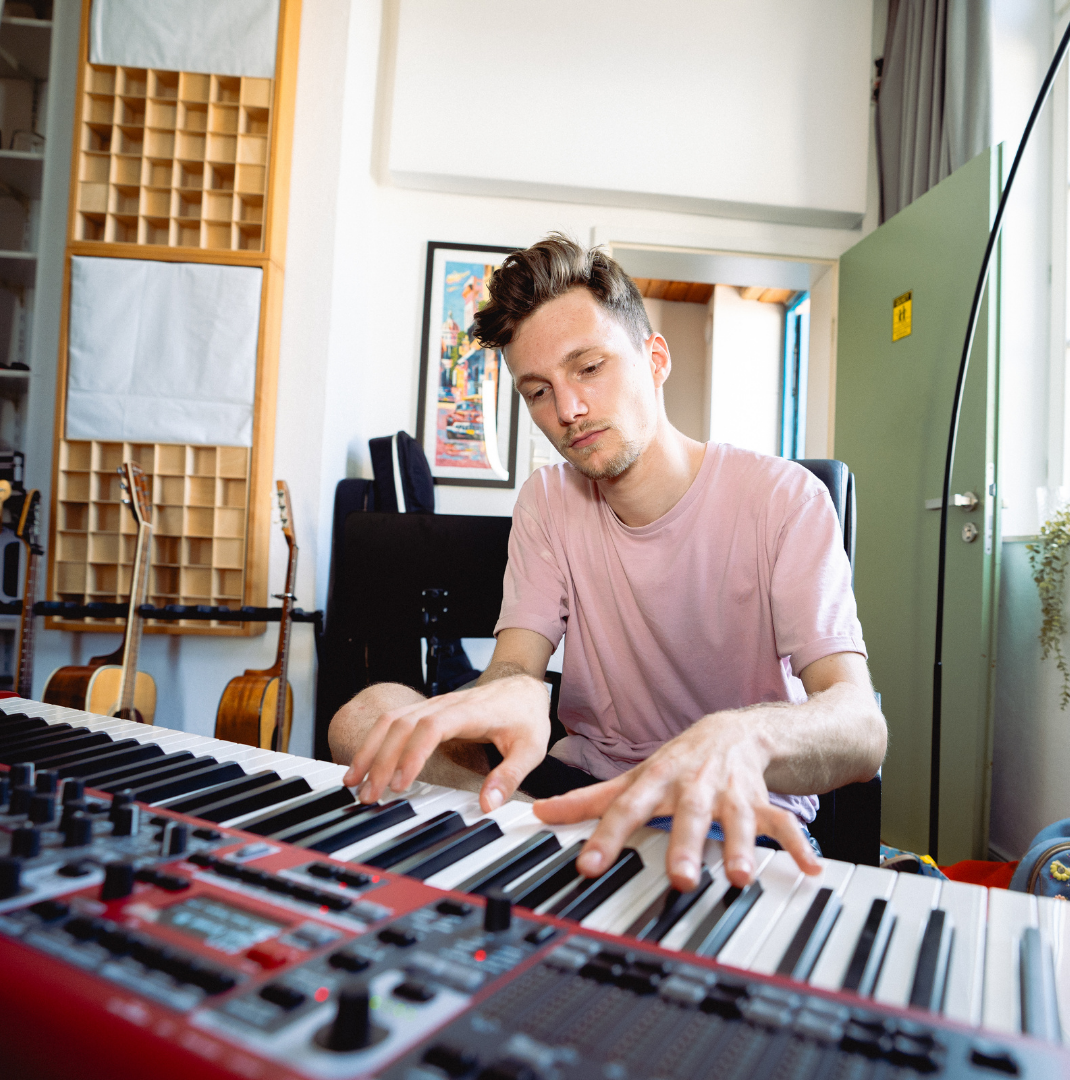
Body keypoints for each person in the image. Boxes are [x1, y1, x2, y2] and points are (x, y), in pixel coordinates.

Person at [330, 235, 886, 894]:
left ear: (654, 359)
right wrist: (511, 690)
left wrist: (744, 737)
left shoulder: (785, 499)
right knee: (364, 718)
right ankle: (567, 854)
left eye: (588, 368)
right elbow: (515, 667)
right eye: (538, 391)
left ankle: (556, 863)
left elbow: (860, 727)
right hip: (577, 790)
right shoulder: (547, 499)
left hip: (724, 811)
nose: (566, 411)